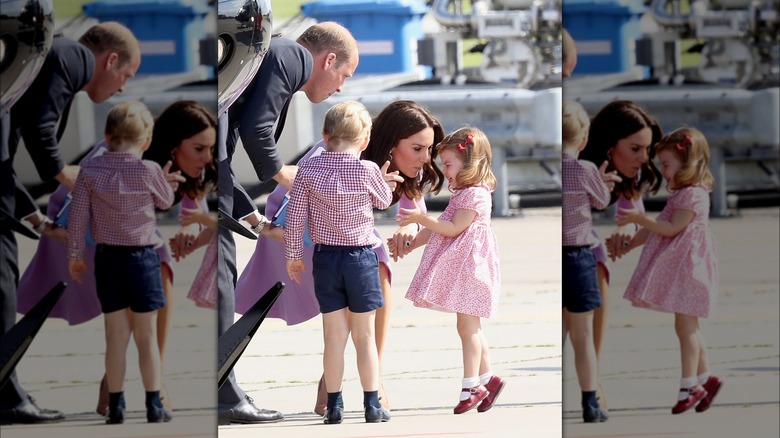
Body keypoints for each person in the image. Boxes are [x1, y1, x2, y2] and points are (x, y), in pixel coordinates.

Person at [233, 99, 444, 415]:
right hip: (296, 232)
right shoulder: (344, 152)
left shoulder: (378, 160)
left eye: (429, 149)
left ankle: (335, 390)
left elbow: (414, 207)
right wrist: (268, 230)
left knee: (359, 297)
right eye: (417, 149)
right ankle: (363, 387)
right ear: (388, 141)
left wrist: (410, 230)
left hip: (333, 241)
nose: (425, 158)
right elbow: (298, 204)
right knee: (373, 277)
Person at [16, 100, 213, 416]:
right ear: (170, 144)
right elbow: (82, 208)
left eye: (210, 149)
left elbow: (195, 212)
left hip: (109, 246)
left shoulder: (120, 160)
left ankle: (119, 395)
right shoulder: (142, 163)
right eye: (200, 148)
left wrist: (189, 236)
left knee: (119, 330)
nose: (206, 158)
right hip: (104, 237)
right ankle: (149, 394)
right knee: (145, 312)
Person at [217, 21, 359, 424]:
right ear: (328, 59)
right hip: (205, 174)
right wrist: (286, 177)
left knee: (218, 283)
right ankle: (223, 395)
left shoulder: (275, 55)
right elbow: (257, 131)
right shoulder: (291, 56)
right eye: (343, 75)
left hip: (211, 174)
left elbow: (230, 144)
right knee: (221, 285)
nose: (340, 88)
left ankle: (223, 388)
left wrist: (247, 210)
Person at [0, 21, 141, 425]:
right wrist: (69, 176)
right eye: (125, 76)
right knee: (2, 287)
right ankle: (6, 398)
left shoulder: (51, 61)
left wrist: (35, 217)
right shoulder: (73, 57)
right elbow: (40, 131)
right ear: (109, 59)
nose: (121, 88)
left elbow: (9, 158)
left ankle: (8, 392)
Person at [66, 101, 176, 424]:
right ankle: (154, 405)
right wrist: (166, 181)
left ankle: (116, 406)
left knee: (115, 337)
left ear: (106, 135)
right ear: (146, 141)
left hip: (107, 258)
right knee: (146, 337)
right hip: (143, 258)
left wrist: (75, 256)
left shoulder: (89, 171)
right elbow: (165, 202)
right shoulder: (149, 170)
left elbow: (77, 218)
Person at [285, 101, 394, 424]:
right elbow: (383, 202)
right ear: (364, 142)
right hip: (360, 258)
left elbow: (295, 218)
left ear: (325, 134)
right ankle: (372, 405)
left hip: (325, 258)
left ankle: (334, 405)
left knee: (333, 336)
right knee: (364, 336)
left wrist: (293, 256)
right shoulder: (367, 170)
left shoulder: (307, 170)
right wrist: (384, 180)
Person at [614, 127, 723, 414]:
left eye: (666, 164)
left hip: (690, 270)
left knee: (686, 329)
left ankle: (690, 386)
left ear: (687, 163)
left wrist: (639, 217)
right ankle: (705, 379)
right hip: (683, 271)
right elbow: (656, 230)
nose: (663, 171)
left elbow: (670, 228)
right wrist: (629, 244)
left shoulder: (694, 196)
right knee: (688, 327)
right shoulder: (682, 195)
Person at [397, 127, 504, 415]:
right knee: (471, 328)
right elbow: (439, 230)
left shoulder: (475, 196)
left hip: (471, 270)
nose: (444, 171)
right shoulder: (464, 194)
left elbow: (451, 228)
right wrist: (410, 244)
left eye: (448, 164)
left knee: (468, 329)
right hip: (466, 270)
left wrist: (421, 218)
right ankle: (487, 379)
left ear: (469, 163)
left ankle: (472, 386)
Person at [578, 99, 663, 408]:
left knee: (599, 272)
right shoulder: (580, 159)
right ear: (609, 144)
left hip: (585, 239)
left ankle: (593, 377)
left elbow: (631, 214)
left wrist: (622, 238)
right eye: (635, 148)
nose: (643, 158)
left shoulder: (632, 171)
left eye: (647, 150)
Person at [561, 101, 615, 422]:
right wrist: (603, 183)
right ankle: (590, 403)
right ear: (582, 140)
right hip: (580, 256)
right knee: (583, 337)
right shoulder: (586, 170)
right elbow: (601, 201)